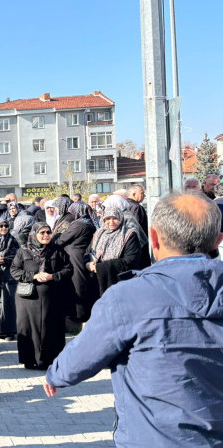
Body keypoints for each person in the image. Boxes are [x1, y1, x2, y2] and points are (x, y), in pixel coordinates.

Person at [44, 191, 223, 446]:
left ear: (153, 239)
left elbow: (83, 356)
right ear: (218, 241)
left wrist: (56, 375)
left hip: (153, 437)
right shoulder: (128, 295)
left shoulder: (128, 297)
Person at [10, 222, 72, 370]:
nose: (45, 235)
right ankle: (29, 359)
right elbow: (14, 270)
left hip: (52, 297)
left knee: (50, 327)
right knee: (28, 328)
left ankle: (50, 360)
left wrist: (52, 276)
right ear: (34, 234)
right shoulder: (24, 251)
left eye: (48, 232)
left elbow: (68, 269)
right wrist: (34, 276)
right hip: (28, 299)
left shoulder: (57, 250)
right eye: (42, 233)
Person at [85, 207, 148, 297]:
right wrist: (87, 263)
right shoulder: (99, 233)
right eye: (108, 219)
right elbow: (88, 251)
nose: (111, 222)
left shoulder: (129, 235)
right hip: (98, 281)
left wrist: (100, 267)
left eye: (115, 218)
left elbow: (131, 259)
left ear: (121, 218)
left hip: (118, 282)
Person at [54, 202, 97, 322]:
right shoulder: (90, 222)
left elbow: (62, 239)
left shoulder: (78, 224)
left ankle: (78, 315)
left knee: (76, 284)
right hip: (82, 254)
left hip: (73, 256)